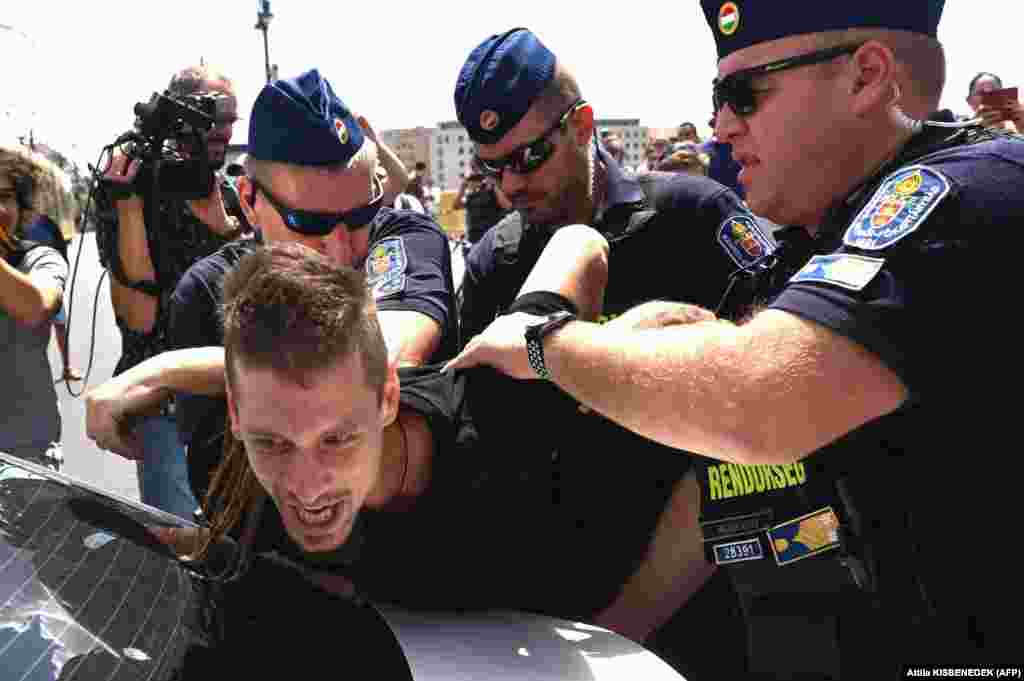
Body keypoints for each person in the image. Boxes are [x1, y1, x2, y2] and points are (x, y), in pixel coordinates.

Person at [446, 1, 1014, 676]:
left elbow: (757, 399)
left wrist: (547, 345)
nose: (721, 123)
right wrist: (616, 635)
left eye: (744, 93)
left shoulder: (967, 192)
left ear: (866, 76)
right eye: (718, 97)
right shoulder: (811, 241)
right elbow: (721, 466)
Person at [454, 27, 765, 678]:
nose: (510, 185)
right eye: (491, 166)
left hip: (692, 604)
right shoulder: (493, 263)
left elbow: (768, 402)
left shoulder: (693, 217)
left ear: (583, 125)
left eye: (530, 156)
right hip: (545, 614)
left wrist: (633, 615)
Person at [86, 68, 458, 510]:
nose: (339, 249)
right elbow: (221, 490)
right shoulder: (208, 292)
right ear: (249, 200)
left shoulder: (402, 239)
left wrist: (168, 369)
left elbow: (384, 355)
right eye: (311, 223)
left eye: (360, 215)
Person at [94, 63, 248, 520]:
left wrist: (222, 225)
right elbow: (139, 321)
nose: (226, 129)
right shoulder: (130, 194)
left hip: (235, 397)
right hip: (167, 409)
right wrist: (127, 207)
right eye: (216, 115)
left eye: (232, 118)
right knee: (183, 545)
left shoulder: (230, 195)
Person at [0, 146, 68, 470]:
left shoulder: (40, 258)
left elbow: (36, 306)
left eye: (5, 196)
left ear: (21, 205)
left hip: (27, 452)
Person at [22, 214, 81, 381]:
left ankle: (67, 368)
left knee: (60, 326)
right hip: (27, 285)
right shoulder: (18, 224)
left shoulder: (47, 223)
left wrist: (60, 277)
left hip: (51, 283)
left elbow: (61, 248)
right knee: (35, 333)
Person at [452, 162, 512, 254]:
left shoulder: (493, 192)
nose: (475, 181)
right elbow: (456, 205)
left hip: (490, 240)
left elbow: (507, 206)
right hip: (473, 240)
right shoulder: (472, 196)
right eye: (473, 178)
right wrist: (463, 187)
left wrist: (494, 184)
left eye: (477, 177)